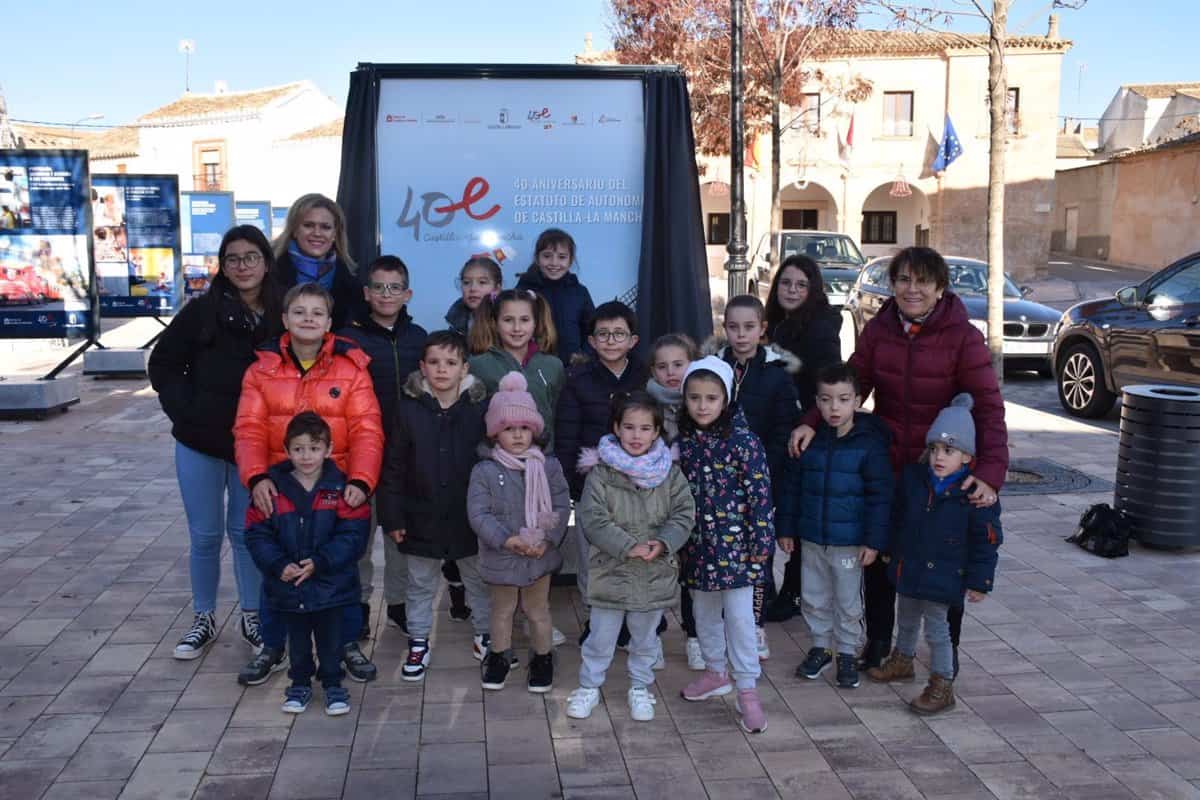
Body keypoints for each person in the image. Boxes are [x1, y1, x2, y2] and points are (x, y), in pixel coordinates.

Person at [789, 246, 1007, 674]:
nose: (912, 289)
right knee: (882, 557)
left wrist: (989, 473)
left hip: (940, 468)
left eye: (922, 281)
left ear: (940, 288)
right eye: (904, 280)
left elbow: (987, 406)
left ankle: (947, 654)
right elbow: (853, 381)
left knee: (942, 558)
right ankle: (880, 642)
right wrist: (814, 420)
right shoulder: (880, 328)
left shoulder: (963, 337)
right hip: (891, 463)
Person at [234, 283, 384, 684]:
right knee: (276, 568)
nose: (308, 319)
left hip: (339, 490)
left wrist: (361, 480)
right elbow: (248, 429)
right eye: (299, 312)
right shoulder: (260, 370)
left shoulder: (351, 369)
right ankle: (273, 645)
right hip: (280, 489)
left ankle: (347, 642)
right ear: (284, 319)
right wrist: (257, 477)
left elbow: (367, 429)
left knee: (342, 569)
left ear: (329, 322)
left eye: (317, 313)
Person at [149, 225, 285, 662]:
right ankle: (203, 617)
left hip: (256, 447)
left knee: (247, 534)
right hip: (200, 442)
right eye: (233, 258)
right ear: (222, 265)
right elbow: (164, 364)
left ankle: (252, 616)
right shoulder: (200, 312)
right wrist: (187, 412)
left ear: (266, 262)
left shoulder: (283, 312)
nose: (242, 266)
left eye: (251, 257)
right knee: (205, 536)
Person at [867, 394, 1002, 715]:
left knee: (938, 630)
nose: (940, 457)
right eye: (935, 449)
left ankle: (943, 683)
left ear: (967, 457)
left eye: (950, 451)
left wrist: (980, 581)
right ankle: (903, 659)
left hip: (945, 575)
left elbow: (987, 541)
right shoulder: (915, 480)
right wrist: (890, 550)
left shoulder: (975, 495)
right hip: (910, 567)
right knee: (908, 615)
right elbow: (898, 517)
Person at [566, 391, 696, 722]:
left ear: (656, 432)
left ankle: (640, 687)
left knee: (645, 639)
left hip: (653, 573)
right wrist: (627, 546)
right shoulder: (601, 473)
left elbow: (683, 513)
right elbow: (593, 518)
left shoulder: (670, 474)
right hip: (610, 571)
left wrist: (664, 542)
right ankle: (588, 687)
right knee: (600, 637)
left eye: (644, 428)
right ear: (616, 428)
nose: (636, 435)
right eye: (629, 427)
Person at [378, 331, 493, 681]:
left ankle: (486, 634)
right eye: (434, 362)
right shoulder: (408, 408)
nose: (442, 370)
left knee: (478, 578)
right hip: (419, 514)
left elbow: (493, 460)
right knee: (420, 584)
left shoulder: (479, 408)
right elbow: (393, 465)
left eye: (451, 363)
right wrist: (393, 515)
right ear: (422, 368)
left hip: (468, 515)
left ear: (464, 368)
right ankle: (418, 640)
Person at [244, 412, 370, 716]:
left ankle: (333, 685)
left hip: (330, 587)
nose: (306, 456)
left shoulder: (341, 488)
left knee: (330, 641)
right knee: (298, 642)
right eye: (298, 449)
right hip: (288, 589)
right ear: (286, 450)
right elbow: (256, 533)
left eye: (314, 448)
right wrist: (278, 565)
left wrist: (321, 562)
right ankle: (298, 684)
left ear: (328, 450)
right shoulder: (272, 489)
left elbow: (352, 536)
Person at [776, 363, 893, 690]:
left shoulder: (869, 445)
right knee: (813, 596)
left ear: (857, 401)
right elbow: (791, 489)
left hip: (849, 543)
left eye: (842, 399)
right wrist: (785, 529)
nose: (834, 407)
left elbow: (880, 497)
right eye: (826, 400)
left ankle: (845, 650)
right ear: (817, 402)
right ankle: (820, 646)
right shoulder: (808, 441)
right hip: (812, 539)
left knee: (847, 601)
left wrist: (873, 541)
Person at [677, 356, 774, 734]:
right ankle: (716, 672)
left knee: (740, 620)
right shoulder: (684, 441)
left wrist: (761, 541)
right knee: (703, 615)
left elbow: (760, 493)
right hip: (699, 549)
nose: (702, 406)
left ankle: (747, 689)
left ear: (727, 399)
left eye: (711, 398)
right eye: (695, 397)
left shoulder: (743, 441)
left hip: (738, 553)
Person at [338, 256, 427, 637]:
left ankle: (398, 604)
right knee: (358, 536)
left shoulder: (420, 338)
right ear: (366, 292)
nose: (386, 294)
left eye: (394, 287)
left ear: (407, 294)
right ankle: (357, 605)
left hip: (404, 457)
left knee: (398, 534)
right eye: (379, 287)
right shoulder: (347, 339)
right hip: (358, 454)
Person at [469, 372, 572, 693]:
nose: (517, 435)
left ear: (535, 431)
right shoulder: (485, 470)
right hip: (502, 554)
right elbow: (478, 512)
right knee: (501, 610)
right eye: (508, 429)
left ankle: (542, 658)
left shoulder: (548, 466)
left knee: (538, 610)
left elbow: (561, 505)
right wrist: (506, 539)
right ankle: (498, 657)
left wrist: (548, 539)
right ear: (494, 434)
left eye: (524, 428)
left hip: (539, 555)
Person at [710, 294, 801, 660]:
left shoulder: (777, 376)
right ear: (725, 329)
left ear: (762, 330)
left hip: (761, 482)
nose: (741, 334)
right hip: (722, 483)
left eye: (749, 327)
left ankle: (755, 625)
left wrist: (764, 471)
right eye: (733, 327)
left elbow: (784, 429)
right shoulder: (715, 368)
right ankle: (724, 623)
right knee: (722, 552)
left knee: (758, 556)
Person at [555, 301, 648, 639]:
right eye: (603, 334)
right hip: (593, 487)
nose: (611, 341)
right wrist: (573, 485)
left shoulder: (645, 378)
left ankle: (633, 621)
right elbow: (567, 438)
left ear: (633, 340)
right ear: (591, 341)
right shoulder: (578, 381)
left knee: (634, 555)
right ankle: (596, 619)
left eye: (618, 334)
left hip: (639, 489)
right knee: (592, 558)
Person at [762, 255, 843, 623]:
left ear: (812, 290)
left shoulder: (820, 328)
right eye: (785, 283)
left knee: (796, 514)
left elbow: (826, 386)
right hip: (780, 428)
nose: (791, 290)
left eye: (800, 285)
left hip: (807, 432)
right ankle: (780, 589)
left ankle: (794, 592)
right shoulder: (779, 324)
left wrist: (809, 422)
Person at [644, 333, 704, 669]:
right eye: (662, 366)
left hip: (695, 506)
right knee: (655, 571)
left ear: (691, 364)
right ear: (652, 371)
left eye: (678, 364)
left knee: (692, 576)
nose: (671, 372)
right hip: (655, 506)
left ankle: (693, 637)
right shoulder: (646, 405)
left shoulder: (702, 403)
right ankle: (651, 637)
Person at [469, 288, 565, 451]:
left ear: (535, 323)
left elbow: (559, 418)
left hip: (543, 462)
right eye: (508, 320)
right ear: (495, 323)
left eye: (525, 320)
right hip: (495, 464)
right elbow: (471, 422)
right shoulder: (478, 365)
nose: (517, 328)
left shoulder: (553, 366)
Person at [272, 193, 365, 329]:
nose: (317, 233)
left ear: (335, 234)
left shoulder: (353, 282)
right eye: (308, 225)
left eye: (325, 227)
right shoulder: (269, 274)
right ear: (294, 230)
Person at [515, 228, 594, 364]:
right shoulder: (523, 291)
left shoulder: (580, 292)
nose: (554, 263)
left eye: (562, 257)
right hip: (534, 367)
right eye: (547, 256)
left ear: (570, 261)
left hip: (572, 367)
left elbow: (592, 328)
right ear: (537, 258)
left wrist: (584, 355)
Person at [446, 255, 503, 335]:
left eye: (482, 282)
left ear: (497, 289)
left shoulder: (507, 317)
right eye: (466, 282)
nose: (473, 288)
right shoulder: (456, 319)